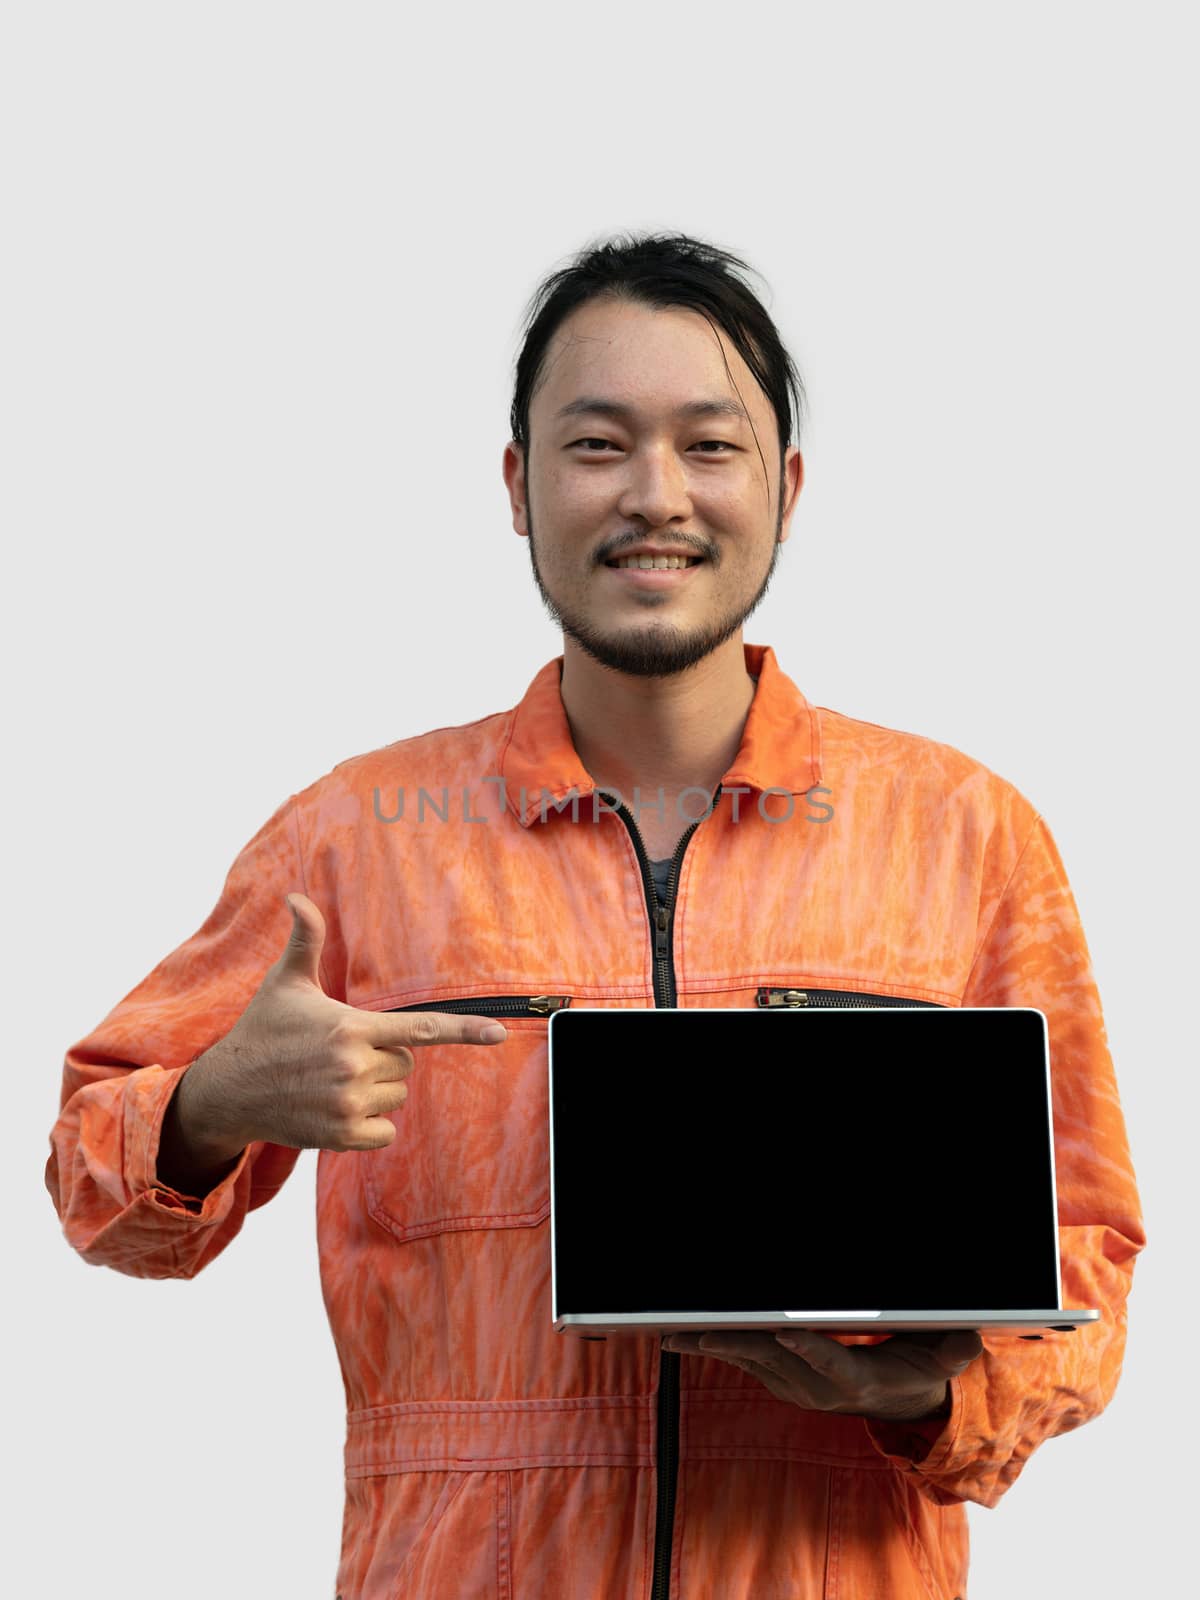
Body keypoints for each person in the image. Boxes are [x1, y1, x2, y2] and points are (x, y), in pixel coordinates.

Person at [46, 231, 1145, 1600]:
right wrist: (208, 1105)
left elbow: (1088, 1262)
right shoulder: (355, 838)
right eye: (597, 445)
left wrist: (932, 1396)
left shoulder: (967, 836)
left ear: (786, 488)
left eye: (710, 446)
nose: (656, 495)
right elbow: (96, 1194)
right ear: (518, 487)